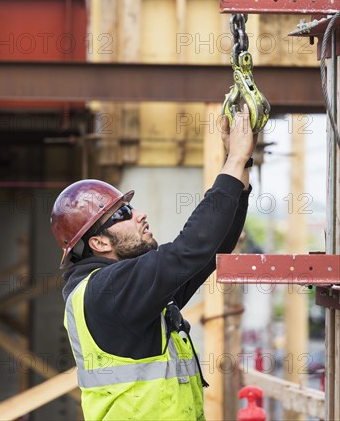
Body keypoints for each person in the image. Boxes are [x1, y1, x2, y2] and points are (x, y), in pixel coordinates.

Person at [50, 105, 256, 421]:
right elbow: (189, 249)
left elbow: (209, 251)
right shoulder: (109, 291)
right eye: (122, 214)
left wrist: (241, 167)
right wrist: (235, 160)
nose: (139, 214)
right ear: (99, 243)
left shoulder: (123, 293)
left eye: (130, 207)